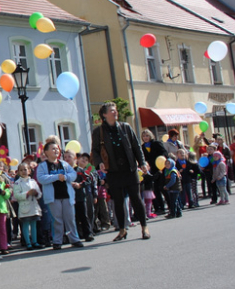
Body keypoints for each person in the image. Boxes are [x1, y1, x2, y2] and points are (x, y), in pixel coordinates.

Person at [91, 101, 150, 242]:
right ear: (104, 115)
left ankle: (144, 227)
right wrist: (99, 163)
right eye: (112, 110)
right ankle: (122, 230)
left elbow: (136, 146)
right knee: (118, 201)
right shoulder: (98, 131)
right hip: (113, 171)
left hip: (129, 169)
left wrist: (141, 163)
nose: (115, 112)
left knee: (136, 198)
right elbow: (95, 151)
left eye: (115, 110)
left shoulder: (126, 127)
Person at [37, 141, 84, 250]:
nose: (56, 150)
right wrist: (56, 177)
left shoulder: (64, 164)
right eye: (53, 149)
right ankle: (57, 241)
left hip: (67, 195)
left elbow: (73, 174)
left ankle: (74, 239)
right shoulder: (43, 166)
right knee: (57, 219)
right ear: (46, 152)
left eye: (57, 149)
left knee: (70, 218)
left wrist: (66, 177)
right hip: (53, 197)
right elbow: (41, 179)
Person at [12, 162, 42, 250]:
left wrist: (36, 193)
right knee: (25, 224)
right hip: (24, 206)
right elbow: (16, 195)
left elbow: (39, 193)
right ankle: (28, 242)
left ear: (29, 171)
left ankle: (35, 241)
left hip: (33, 206)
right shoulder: (17, 183)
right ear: (18, 172)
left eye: (25, 169)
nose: (23, 172)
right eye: (21, 170)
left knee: (33, 224)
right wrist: (27, 193)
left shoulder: (33, 181)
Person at [66, 150, 94, 242]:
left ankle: (88, 233)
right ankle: (76, 235)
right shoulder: (64, 171)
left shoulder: (79, 170)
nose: (67, 159)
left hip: (80, 197)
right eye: (65, 157)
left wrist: (80, 185)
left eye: (69, 157)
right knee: (73, 218)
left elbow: (88, 179)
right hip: (69, 198)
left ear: (75, 159)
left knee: (83, 216)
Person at [141, 130, 168, 215]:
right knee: (154, 189)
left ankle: (170, 206)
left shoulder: (156, 143)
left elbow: (164, 152)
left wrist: (162, 158)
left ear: (150, 136)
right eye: (144, 136)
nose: (145, 138)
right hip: (150, 170)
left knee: (162, 188)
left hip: (160, 168)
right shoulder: (142, 147)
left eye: (147, 136)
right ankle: (158, 207)